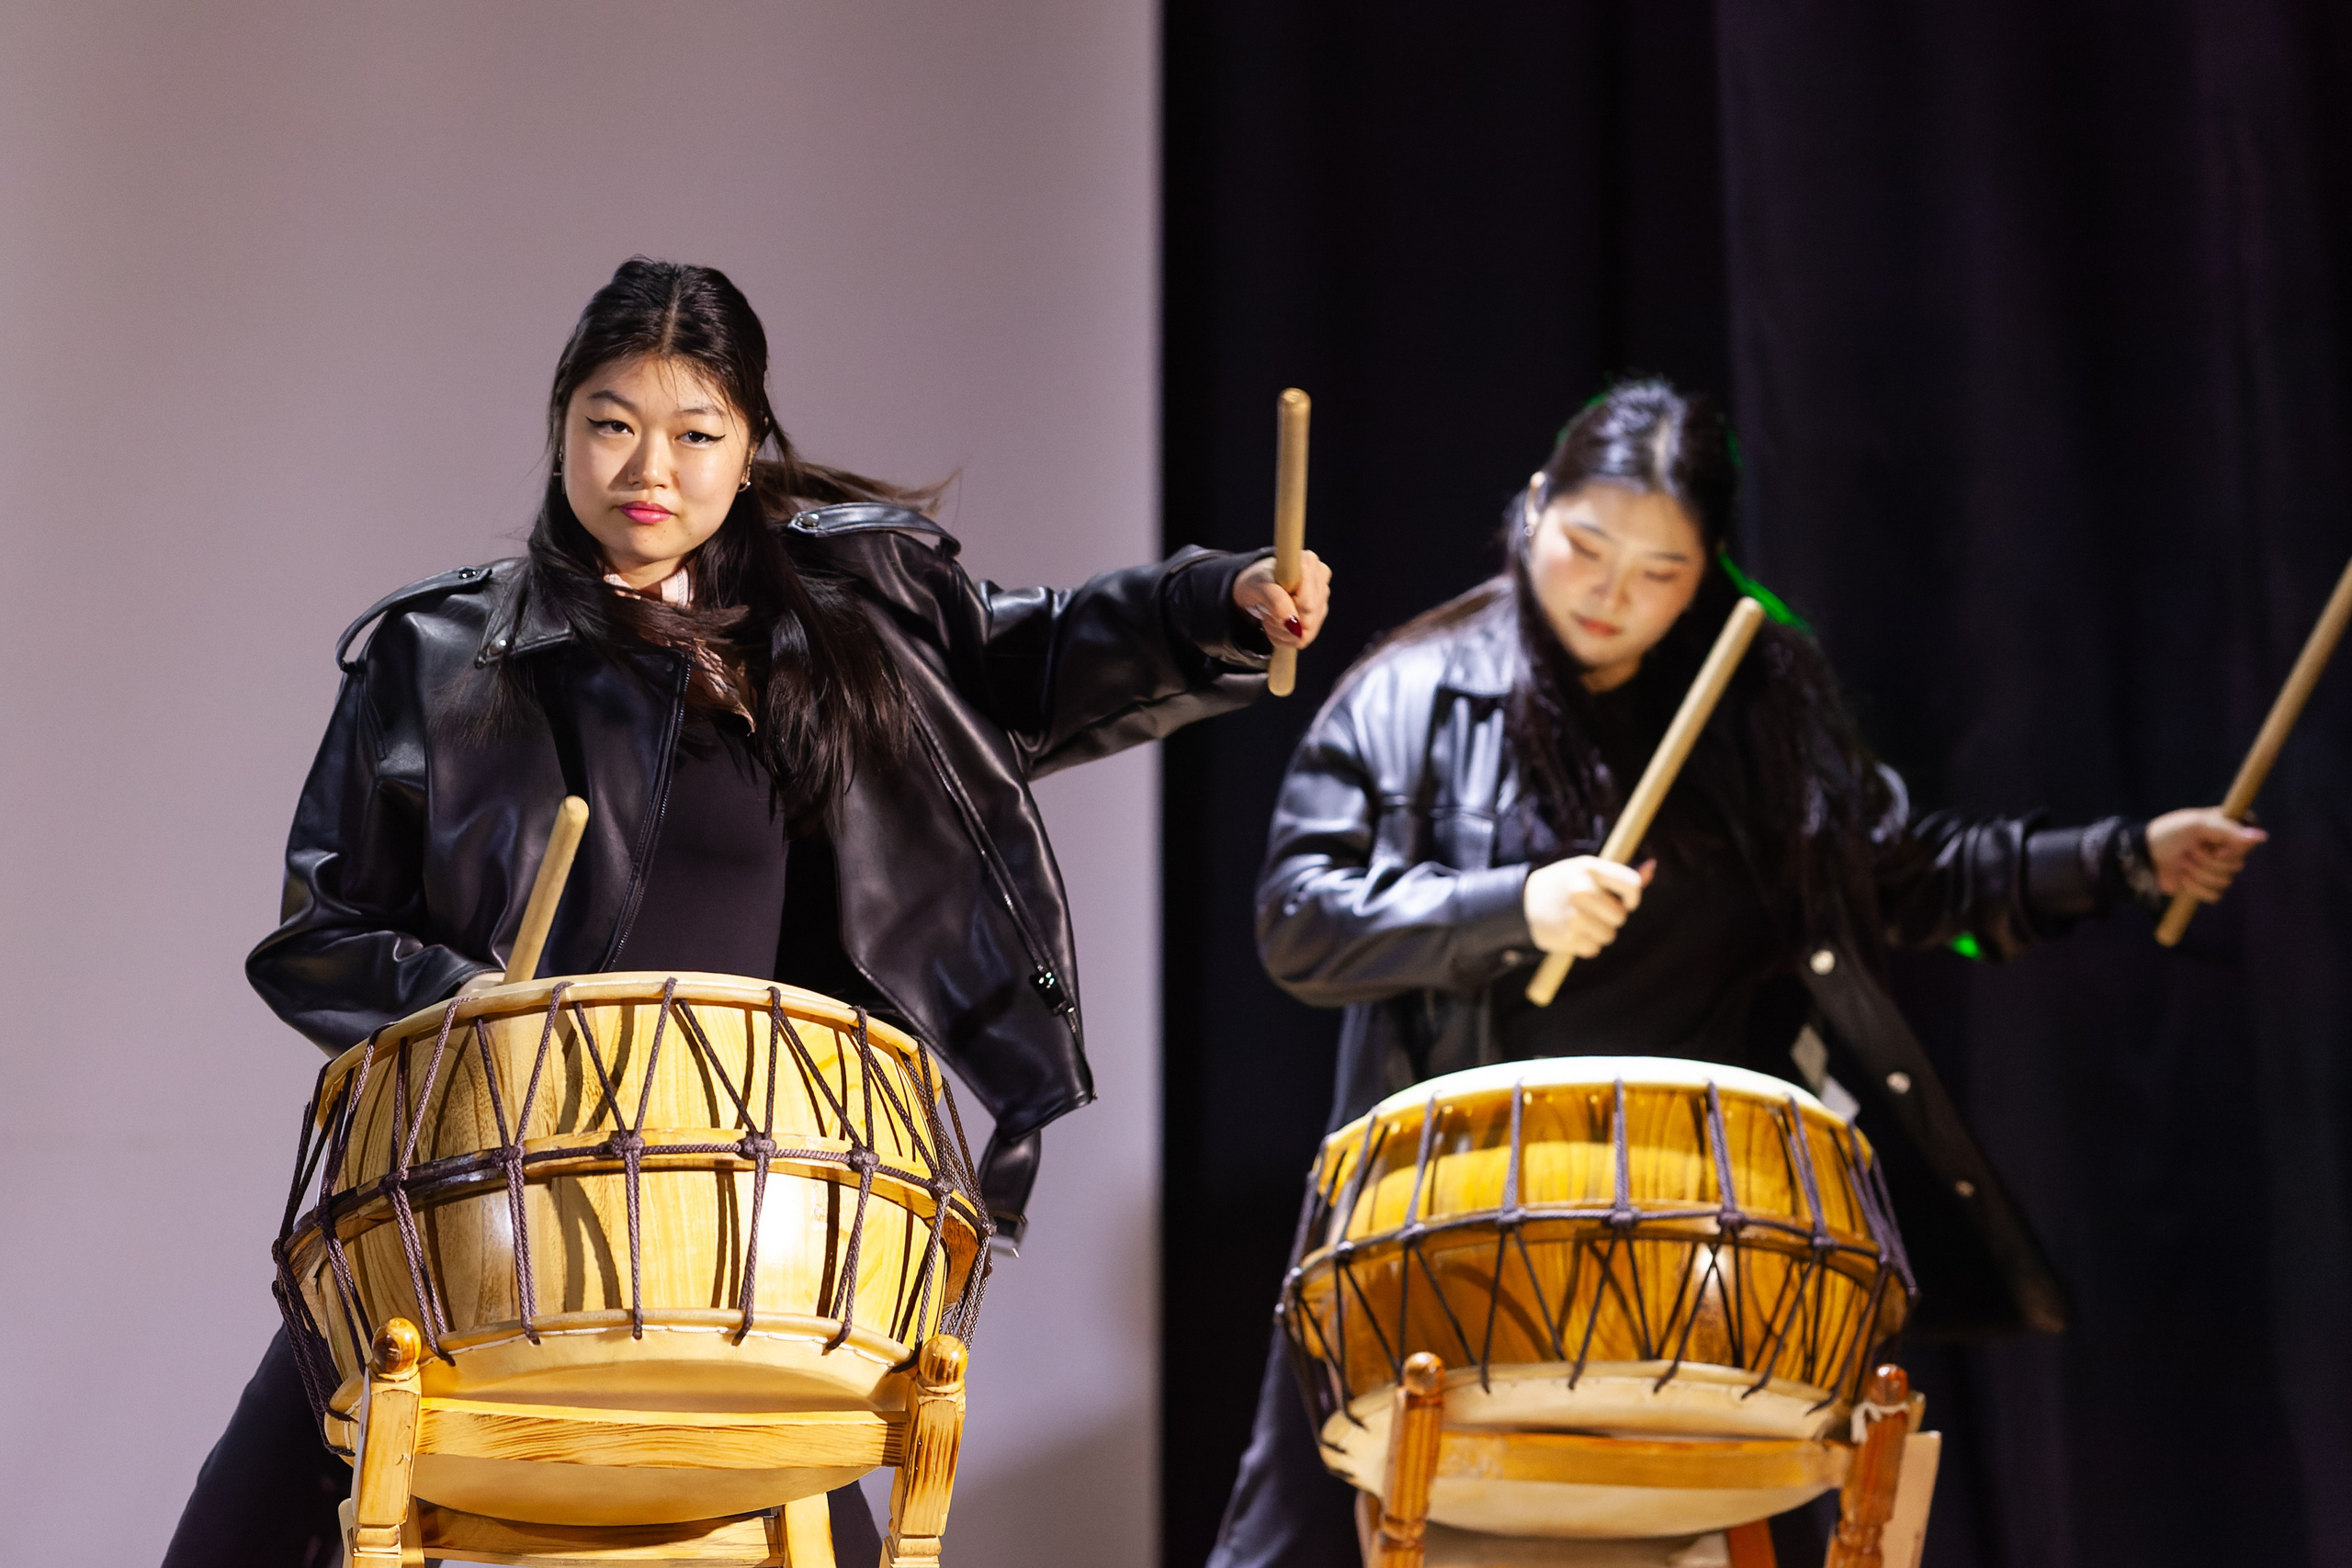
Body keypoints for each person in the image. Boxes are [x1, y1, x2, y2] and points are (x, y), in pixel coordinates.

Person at [161, 256, 1332, 1568]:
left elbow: (1038, 653)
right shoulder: (436, 658)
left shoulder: (850, 624)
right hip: (495, 1179)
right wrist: (470, 1008)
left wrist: (1214, 604)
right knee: (250, 1514)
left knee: (798, 1488)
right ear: (561, 428)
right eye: (610, 423)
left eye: (694, 432)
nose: (646, 466)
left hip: (748, 1188)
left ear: (749, 446)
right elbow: (319, 929)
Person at [1205, 378, 2259, 1568]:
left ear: (1708, 568)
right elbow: (1299, 921)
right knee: (1300, 1534)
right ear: (1535, 509)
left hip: (1697, 1215)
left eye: (1659, 572)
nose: (1611, 594)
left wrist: (2127, 858)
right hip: (1453, 1208)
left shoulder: (1759, 703)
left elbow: (1915, 878)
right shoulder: (1410, 692)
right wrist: (1515, 906)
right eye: (1586, 547)